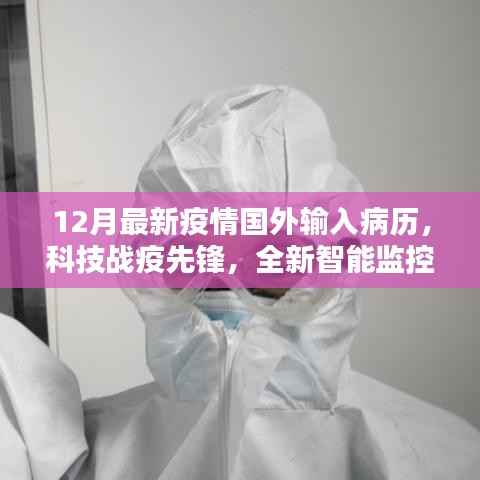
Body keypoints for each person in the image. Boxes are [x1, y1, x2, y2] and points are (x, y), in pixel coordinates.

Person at [1, 85, 479, 479]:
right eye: (193, 260)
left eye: (269, 263)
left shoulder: (440, 457)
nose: (226, 299)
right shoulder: (78, 453)